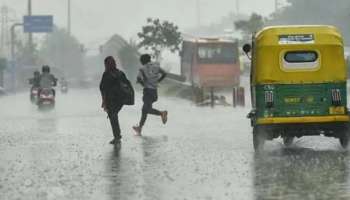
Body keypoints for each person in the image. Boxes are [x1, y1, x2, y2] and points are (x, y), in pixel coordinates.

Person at [100, 56, 132, 145]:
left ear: (106, 64)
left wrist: (104, 101)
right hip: (120, 100)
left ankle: (117, 137)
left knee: (113, 116)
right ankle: (117, 136)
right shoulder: (120, 73)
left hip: (111, 100)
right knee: (114, 116)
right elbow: (127, 85)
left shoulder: (106, 74)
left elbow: (102, 88)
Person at [133, 54, 168, 136]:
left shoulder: (142, 69)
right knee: (144, 110)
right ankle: (140, 128)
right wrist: (158, 81)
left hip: (147, 92)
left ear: (143, 61)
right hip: (154, 92)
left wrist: (143, 84)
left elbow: (138, 78)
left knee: (146, 109)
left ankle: (162, 113)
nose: (141, 62)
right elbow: (165, 73)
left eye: (141, 61)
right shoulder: (156, 66)